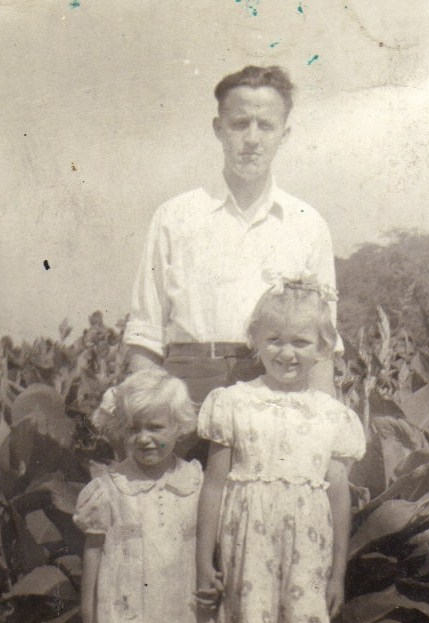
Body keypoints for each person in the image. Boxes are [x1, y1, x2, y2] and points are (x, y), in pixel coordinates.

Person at [123, 65, 341, 410]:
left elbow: (324, 348)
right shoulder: (174, 217)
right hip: (186, 390)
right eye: (240, 124)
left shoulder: (308, 224)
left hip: (277, 390)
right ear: (218, 129)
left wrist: (325, 424)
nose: (252, 139)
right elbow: (145, 337)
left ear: (284, 134)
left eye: (266, 125)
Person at [195, 274, 366, 623]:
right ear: (255, 340)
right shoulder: (234, 403)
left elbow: (339, 498)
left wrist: (337, 572)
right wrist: (204, 559)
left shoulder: (331, 416)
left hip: (306, 557)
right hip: (246, 553)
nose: (286, 353)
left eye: (300, 342)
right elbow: (214, 485)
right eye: (275, 340)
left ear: (323, 348)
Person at [73, 369, 216, 623]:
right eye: (134, 429)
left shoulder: (195, 482)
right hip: (124, 614)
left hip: (177, 612)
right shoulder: (110, 487)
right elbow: (94, 552)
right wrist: (88, 614)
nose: (144, 439)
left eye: (155, 427)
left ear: (180, 427)